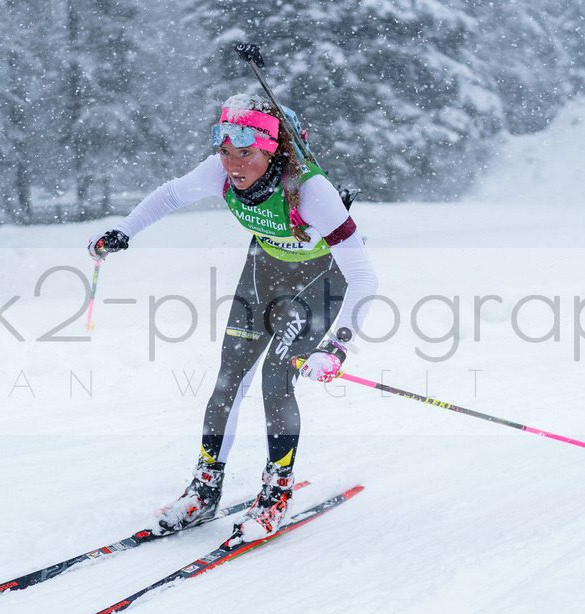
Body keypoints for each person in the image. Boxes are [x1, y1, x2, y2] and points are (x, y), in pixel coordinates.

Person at [88, 93, 378, 542]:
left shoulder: (311, 192)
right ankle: (205, 490)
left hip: (321, 280)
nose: (232, 164)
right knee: (229, 379)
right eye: (225, 151)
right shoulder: (219, 173)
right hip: (264, 270)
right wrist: (123, 231)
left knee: (276, 380)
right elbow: (168, 195)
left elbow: (363, 276)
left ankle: (276, 492)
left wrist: (337, 346)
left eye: (245, 153)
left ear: (273, 150)